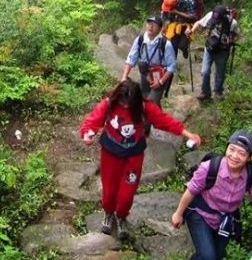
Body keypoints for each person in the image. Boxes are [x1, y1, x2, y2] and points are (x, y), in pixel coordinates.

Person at [81, 79, 202, 240]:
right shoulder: (109, 104)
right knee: (109, 191)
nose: (125, 106)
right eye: (122, 102)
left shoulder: (144, 108)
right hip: (110, 155)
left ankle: (122, 216)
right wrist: (87, 133)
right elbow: (92, 122)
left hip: (133, 157)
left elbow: (165, 121)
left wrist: (187, 134)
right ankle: (109, 213)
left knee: (127, 195)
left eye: (128, 103)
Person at [171, 129, 252, 260]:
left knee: (216, 256)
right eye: (232, 149)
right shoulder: (209, 167)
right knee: (208, 256)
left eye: (241, 153)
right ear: (226, 149)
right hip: (200, 213)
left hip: (225, 220)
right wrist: (178, 214)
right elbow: (191, 190)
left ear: (249, 157)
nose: (234, 156)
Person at [121, 15, 177, 106]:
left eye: (154, 25)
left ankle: (155, 119)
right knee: (146, 99)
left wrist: (161, 82)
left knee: (151, 103)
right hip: (145, 74)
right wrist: (124, 77)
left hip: (160, 75)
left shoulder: (166, 44)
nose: (151, 26)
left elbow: (172, 66)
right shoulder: (140, 40)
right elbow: (131, 59)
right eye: (149, 24)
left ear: (160, 28)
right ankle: (159, 119)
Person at [188, 4, 240, 100]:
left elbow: (237, 35)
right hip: (210, 47)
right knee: (205, 71)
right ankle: (205, 92)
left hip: (223, 50)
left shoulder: (232, 23)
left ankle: (218, 92)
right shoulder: (210, 15)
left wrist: (231, 40)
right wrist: (191, 31)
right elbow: (199, 23)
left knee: (220, 72)